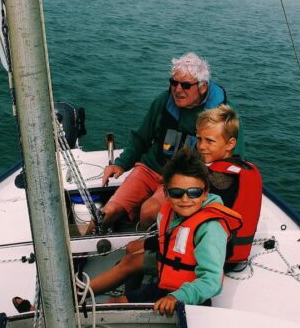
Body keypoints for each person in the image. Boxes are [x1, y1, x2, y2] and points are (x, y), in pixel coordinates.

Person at [89, 104, 248, 295]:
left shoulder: (218, 181)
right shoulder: (225, 169)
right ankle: (131, 294)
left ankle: (88, 296)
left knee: (131, 259)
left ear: (230, 144)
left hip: (197, 254)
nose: (202, 146)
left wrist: (149, 244)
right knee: (133, 249)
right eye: (199, 139)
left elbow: (188, 230)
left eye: (210, 141)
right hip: (200, 243)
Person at [100, 52, 241, 230]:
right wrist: (120, 164)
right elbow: (141, 137)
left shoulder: (222, 115)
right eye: (174, 83)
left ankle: (147, 248)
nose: (178, 89)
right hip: (151, 167)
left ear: (203, 87)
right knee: (108, 211)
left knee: (149, 211)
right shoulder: (164, 101)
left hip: (181, 177)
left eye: (186, 85)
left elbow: (234, 157)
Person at [105, 147, 241, 315]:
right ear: (166, 194)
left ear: (205, 193)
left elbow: (212, 280)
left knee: (121, 307)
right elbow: (169, 241)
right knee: (112, 304)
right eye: (177, 193)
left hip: (190, 299)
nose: (185, 199)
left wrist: (177, 297)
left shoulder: (211, 228)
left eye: (194, 193)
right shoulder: (169, 214)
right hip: (162, 286)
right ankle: (80, 293)